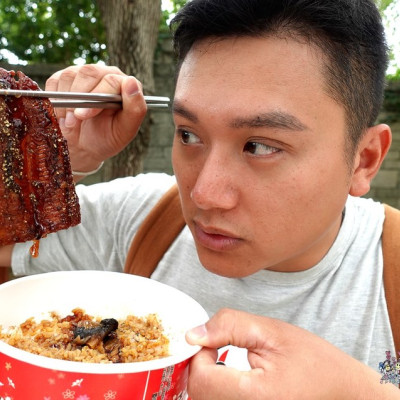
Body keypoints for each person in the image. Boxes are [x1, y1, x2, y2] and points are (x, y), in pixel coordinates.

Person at [1, 0, 399, 397]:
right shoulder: (145, 218)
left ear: (363, 161)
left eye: (259, 146)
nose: (203, 194)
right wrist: (57, 166)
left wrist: (362, 391)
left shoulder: (390, 271)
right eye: (189, 134)